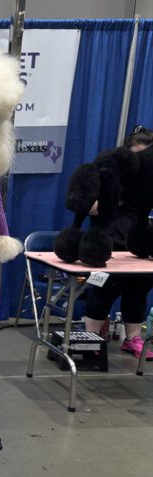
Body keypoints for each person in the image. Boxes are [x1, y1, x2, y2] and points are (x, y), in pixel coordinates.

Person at [83, 125, 153, 359]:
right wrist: (111, 199)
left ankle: (132, 339)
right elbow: (88, 208)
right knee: (104, 289)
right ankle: (91, 339)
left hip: (138, 244)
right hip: (109, 242)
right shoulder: (108, 173)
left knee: (139, 290)